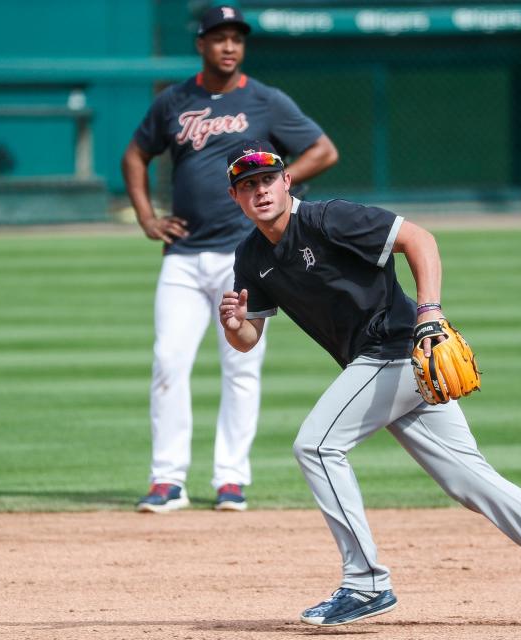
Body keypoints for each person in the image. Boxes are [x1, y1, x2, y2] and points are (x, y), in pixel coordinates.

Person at [218, 140, 521, 628]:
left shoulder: (328, 218)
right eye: (247, 186)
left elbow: (420, 239)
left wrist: (430, 311)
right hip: (382, 362)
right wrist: (234, 323)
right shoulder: (251, 255)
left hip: (398, 348)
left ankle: (365, 582)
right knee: (469, 479)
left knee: (317, 447)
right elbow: (248, 339)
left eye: (267, 180)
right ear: (235, 198)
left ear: (287, 182)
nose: (259, 191)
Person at [121, 5, 338, 513]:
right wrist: (146, 216)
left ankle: (230, 479)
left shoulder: (265, 99)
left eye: (236, 38)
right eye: (218, 37)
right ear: (201, 44)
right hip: (182, 256)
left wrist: (282, 184)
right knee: (168, 361)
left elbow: (323, 150)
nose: (229, 46)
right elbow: (136, 154)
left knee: (242, 364)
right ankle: (167, 480)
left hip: (243, 256)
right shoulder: (175, 100)